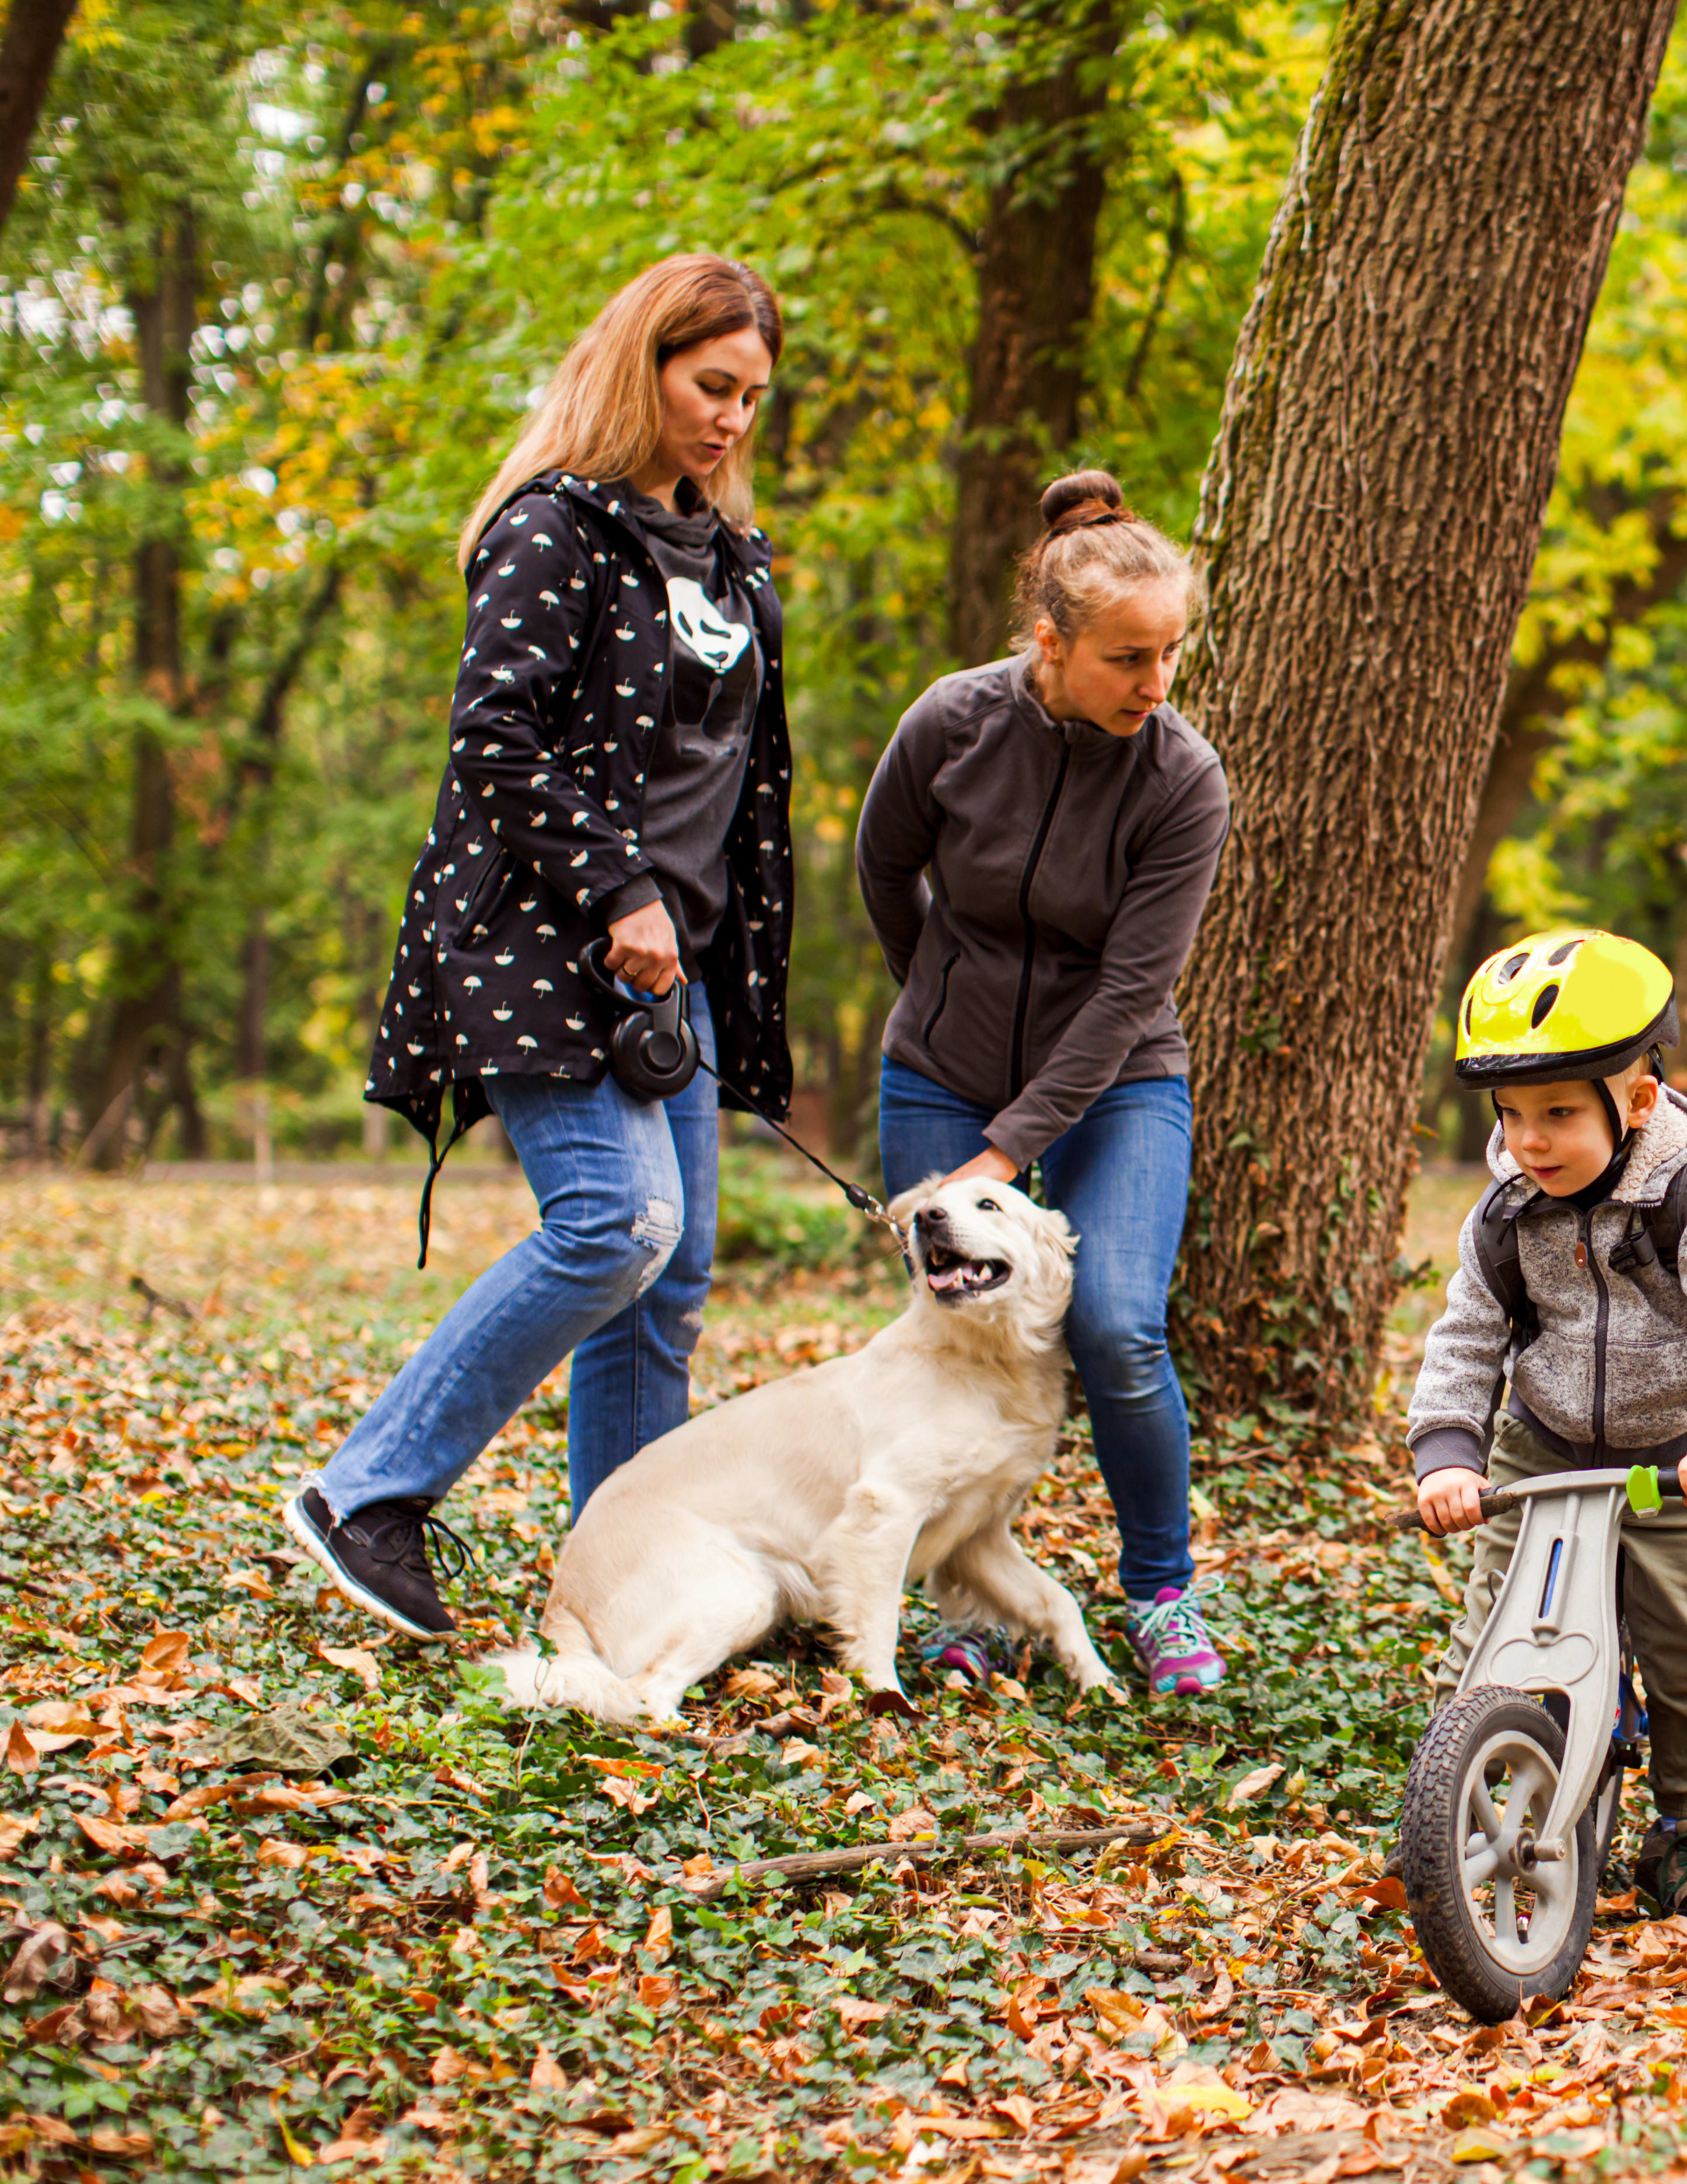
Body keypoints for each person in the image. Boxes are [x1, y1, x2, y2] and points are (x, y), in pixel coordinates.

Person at [285, 255, 796, 1641]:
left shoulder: (733, 563)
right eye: (710, 387)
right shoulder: (553, 531)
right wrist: (622, 888)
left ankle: (619, 1582)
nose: (733, 420)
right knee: (615, 1228)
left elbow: (745, 799)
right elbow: (493, 742)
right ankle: (368, 1492)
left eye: (752, 395)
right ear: (642, 366)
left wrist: (730, 987)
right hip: (541, 946)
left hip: (663, 975)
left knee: (665, 1285)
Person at [856, 471, 1231, 1699]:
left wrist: (1005, 1151)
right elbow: (883, 865)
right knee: (957, 1332)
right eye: (1129, 658)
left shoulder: (1182, 778)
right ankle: (969, 1597)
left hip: (1120, 1078)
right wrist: (943, 999)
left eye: (1171, 653)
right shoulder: (950, 725)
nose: (1156, 684)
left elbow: (1130, 991)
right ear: (1051, 645)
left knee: (1118, 1325)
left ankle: (1161, 1596)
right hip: (943, 1074)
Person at [1406, 929, 1687, 1927]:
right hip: (1544, 1445)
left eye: (1561, 1114)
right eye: (1516, 1114)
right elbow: (1466, 1337)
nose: (1533, 1139)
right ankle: (1451, 1800)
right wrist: (1447, 1450)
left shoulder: (1684, 1193)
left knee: (1686, 1649)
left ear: (1639, 1102)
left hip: (1673, 1457)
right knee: (1490, 1634)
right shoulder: (1503, 1215)